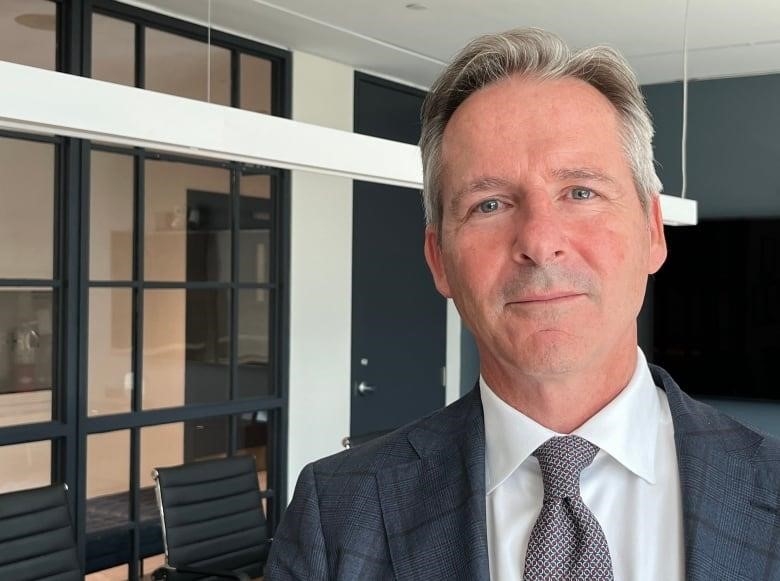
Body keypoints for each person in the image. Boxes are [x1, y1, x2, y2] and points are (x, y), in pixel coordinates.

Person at [266, 28, 780, 580]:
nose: (538, 240)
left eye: (580, 192)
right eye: (489, 204)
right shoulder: (337, 514)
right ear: (439, 258)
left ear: (653, 231)